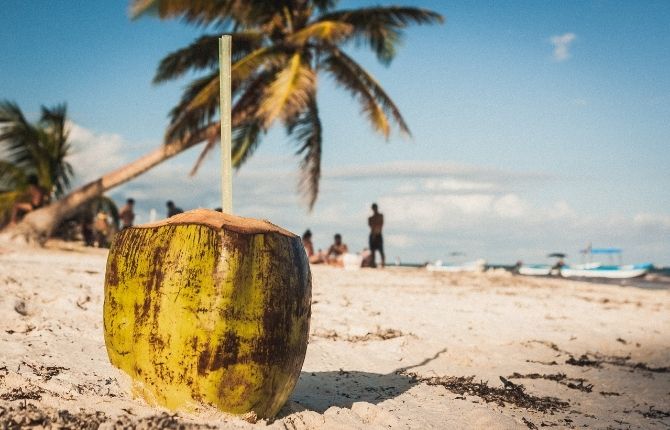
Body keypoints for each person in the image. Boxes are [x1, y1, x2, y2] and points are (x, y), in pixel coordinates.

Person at [368, 203, 385, 268]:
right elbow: (371, 226)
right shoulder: (371, 218)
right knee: (373, 251)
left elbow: (380, 225)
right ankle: (373, 263)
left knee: (381, 250)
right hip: (373, 234)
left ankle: (382, 263)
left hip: (378, 234)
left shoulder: (380, 216)